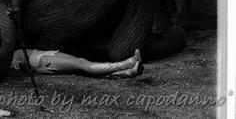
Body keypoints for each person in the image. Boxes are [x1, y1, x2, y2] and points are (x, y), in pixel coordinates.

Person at [11, 49, 143, 78]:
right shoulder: (8, 58)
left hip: (45, 54)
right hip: (41, 60)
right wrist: (35, 70)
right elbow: (17, 68)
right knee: (83, 64)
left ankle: (129, 71)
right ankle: (128, 63)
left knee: (82, 67)